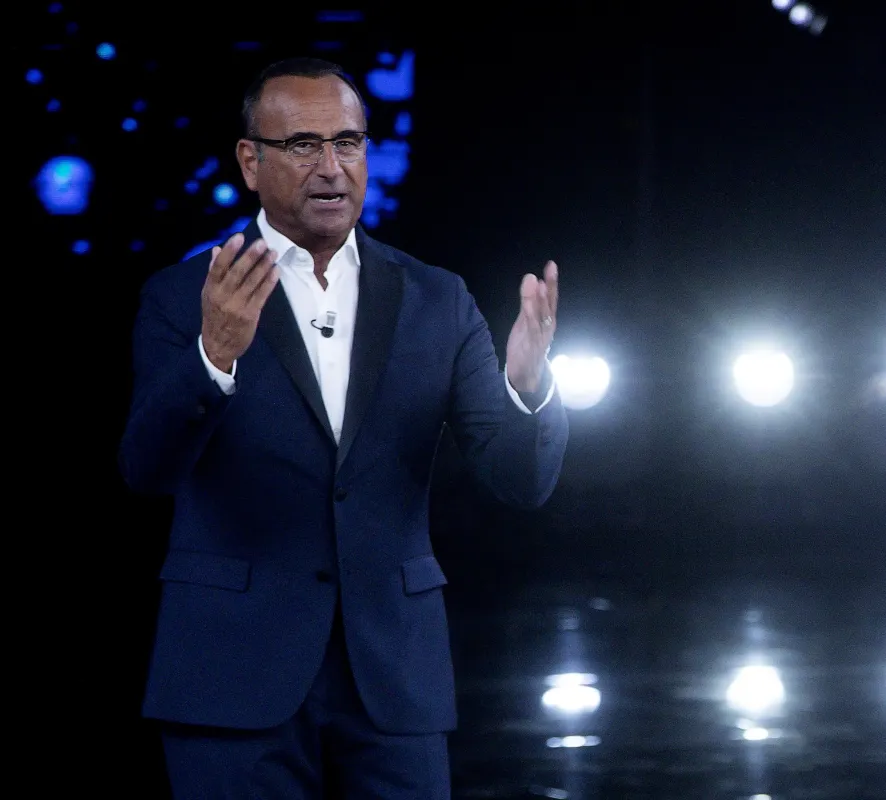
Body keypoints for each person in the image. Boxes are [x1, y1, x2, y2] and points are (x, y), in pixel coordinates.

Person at [118, 57, 569, 799]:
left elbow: (521, 483)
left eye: (348, 142)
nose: (331, 167)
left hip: (393, 678)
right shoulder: (184, 296)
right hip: (231, 673)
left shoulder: (438, 299)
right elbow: (147, 470)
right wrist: (213, 357)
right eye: (302, 145)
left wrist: (526, 387)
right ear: (251, 162)